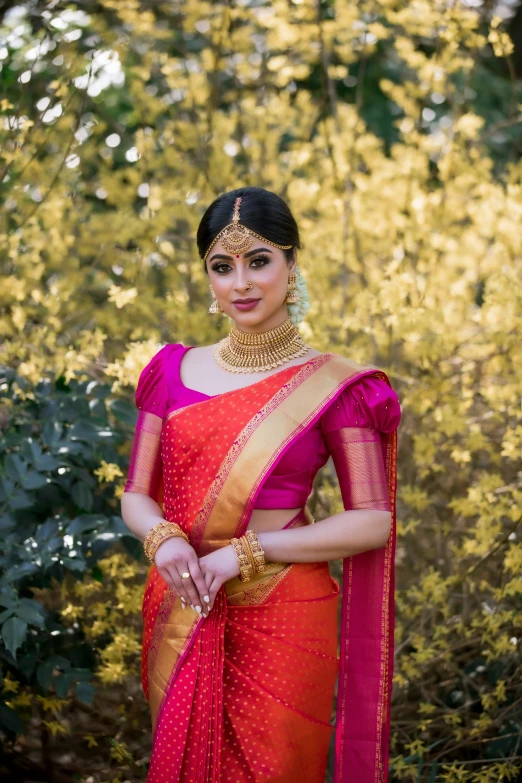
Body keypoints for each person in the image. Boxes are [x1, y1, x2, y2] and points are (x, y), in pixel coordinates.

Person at [121, 186, 401, 783]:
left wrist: (249, 551)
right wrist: (164, 541)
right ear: (208, 278)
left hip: (283, 609)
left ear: (291, 264)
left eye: (259, 260)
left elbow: (373, 519)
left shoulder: (337, 387)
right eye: (222, 267)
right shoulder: (169, 372)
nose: (241, 283)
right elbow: (136, 494)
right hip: (184, 599)